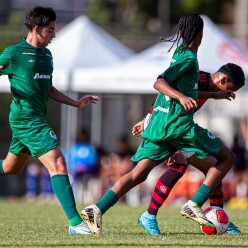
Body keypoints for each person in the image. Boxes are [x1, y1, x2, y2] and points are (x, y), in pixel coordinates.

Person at [81, 13, 234, 237]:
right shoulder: (188, 58)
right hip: (178, 126)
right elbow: (159, 82)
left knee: (138, 174)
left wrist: (213, 95)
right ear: (201, 34)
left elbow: (185, 88)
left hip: (161, 127)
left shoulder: (181, 53)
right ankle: (194, 204)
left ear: (181, 33)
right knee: (227, 158)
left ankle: (95, 209)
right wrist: (181, 99)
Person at [0, 6, 99, 235]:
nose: (54, 35)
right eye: (51, 30)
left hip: (34, 119)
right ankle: (76, 223)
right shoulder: (14, 53)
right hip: (27, 119)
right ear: (37, 29)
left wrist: (75, 103)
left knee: (10, 168)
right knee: (59, 163)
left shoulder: (47, 55)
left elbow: (48, 88)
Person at [132, 63, 245, 235]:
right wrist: (148, 119)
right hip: (170, 130)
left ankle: (218, 216)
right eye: (230, 89)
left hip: (180, 130)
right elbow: (164, 95)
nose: (228, 94)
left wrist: (147, 118)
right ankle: (149, 215)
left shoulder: (209, 85)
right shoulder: (196, 77)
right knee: (145, 173)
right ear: (224, 79)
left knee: (214, 171)